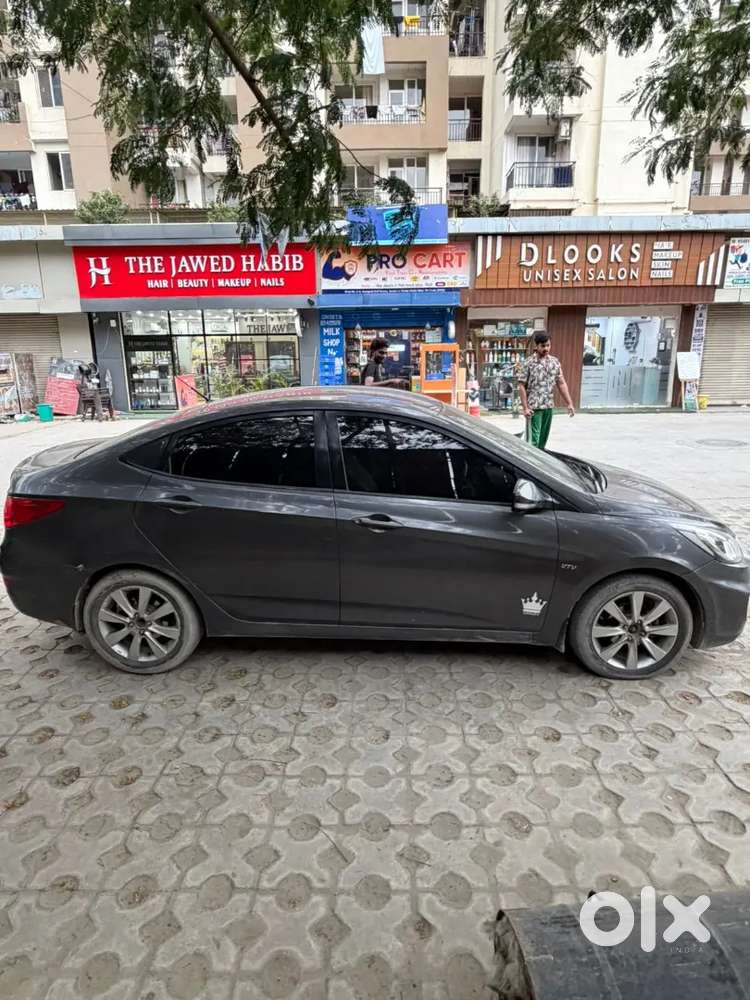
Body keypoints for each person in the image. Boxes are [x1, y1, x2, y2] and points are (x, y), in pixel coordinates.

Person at [518, 331, 575, 450]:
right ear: (537, 346)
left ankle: (539, 459)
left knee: (543, 441)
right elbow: (521, 385)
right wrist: (525, 408)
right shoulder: (528, 363)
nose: (546, 348)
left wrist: (569, 403)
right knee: (533, 441)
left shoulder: (554, 362)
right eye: (543, 346)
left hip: (548, 406)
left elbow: (561, 383)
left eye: (548, 345)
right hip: (534, 408)